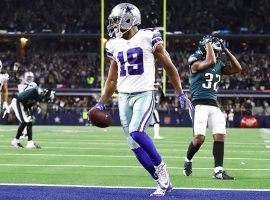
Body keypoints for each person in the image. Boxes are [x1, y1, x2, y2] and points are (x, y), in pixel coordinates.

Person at [91, 3, 191, 196]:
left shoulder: (148, 36)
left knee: (137, 132)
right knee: (133, 145)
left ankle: (162, 167)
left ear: (129, 20)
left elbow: (169, 66)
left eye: (116, 21)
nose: (113, 25)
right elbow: (112, 78)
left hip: (144, 93)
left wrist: (179, 91)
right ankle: (163, 183)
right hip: (123, 96)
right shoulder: (113, 44)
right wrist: (101, 102)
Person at [183, 35, 242, 180]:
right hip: (199, 104)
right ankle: (188, 160)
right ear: (206, 47)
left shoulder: (218, 64)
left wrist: (226, 50)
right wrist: (209, 44)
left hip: (213, 104)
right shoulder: (195, 60)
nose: (217, 53)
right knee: (199, 138)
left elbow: (237, 68)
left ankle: (218, 171)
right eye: (215, 50)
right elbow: (210, 61)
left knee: (220, 135)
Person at [16, 68, 38, 139]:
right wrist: (15, 70)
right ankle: (23, 134)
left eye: (31, 77)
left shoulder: (34, 84)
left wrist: (37, 105)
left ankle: (25, 133)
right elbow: (16, 78)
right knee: (23, 119)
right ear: (25, 77)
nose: (29, 78)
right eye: (28, 77)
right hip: (21, 103)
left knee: (27, 119)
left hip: (29, 103)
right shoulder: (21, 83)